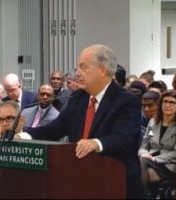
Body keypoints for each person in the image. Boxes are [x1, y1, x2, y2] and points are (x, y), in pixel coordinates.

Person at [21, 44, 142, 198]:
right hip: (81, 177)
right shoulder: (78, 97)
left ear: (102, 71)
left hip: (116, 181)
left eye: (83, 67)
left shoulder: (126, 100)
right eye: (77, 68)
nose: (77, 73)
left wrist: (95, 143)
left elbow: (125, 139)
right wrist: (24, 135)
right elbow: (55, 129)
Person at [139, 89, 176, 195]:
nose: (167, 105)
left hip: (169, 165)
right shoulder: (153, 122)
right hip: (148, 161)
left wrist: (154, 159)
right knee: (137, 165)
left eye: (171, 102)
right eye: (165, 101)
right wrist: (143, 153)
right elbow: (144, 145)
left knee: (135, 174)